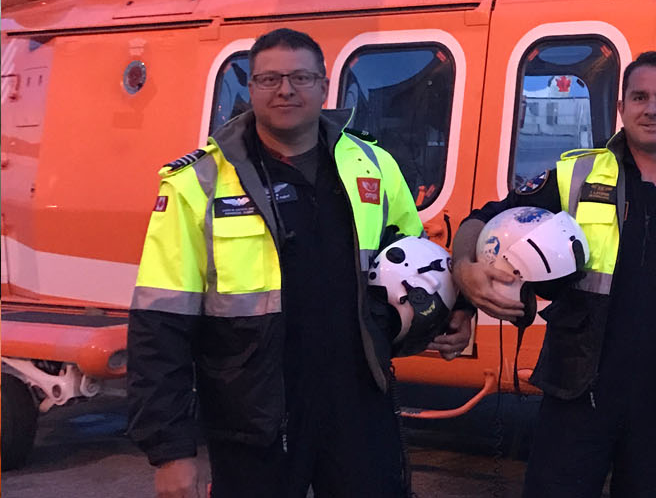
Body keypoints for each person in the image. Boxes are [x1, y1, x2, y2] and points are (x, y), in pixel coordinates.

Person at [127, 27, 474, 498]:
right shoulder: (196, 184)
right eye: (269, 79)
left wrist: (457, 311)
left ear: (325, 85)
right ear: (250, 88)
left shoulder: (372, 165)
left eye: (300, 78)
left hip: (358, 404)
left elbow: (419, 262)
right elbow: (159, 323)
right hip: (253, 418)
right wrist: (171, 450)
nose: (285, 90)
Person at [451, 52, 656, 498]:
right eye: (640, 97)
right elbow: (482, 220)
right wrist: (463, 271)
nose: (652, 108)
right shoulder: (575, 175)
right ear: (622, 108)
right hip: (577, 398)